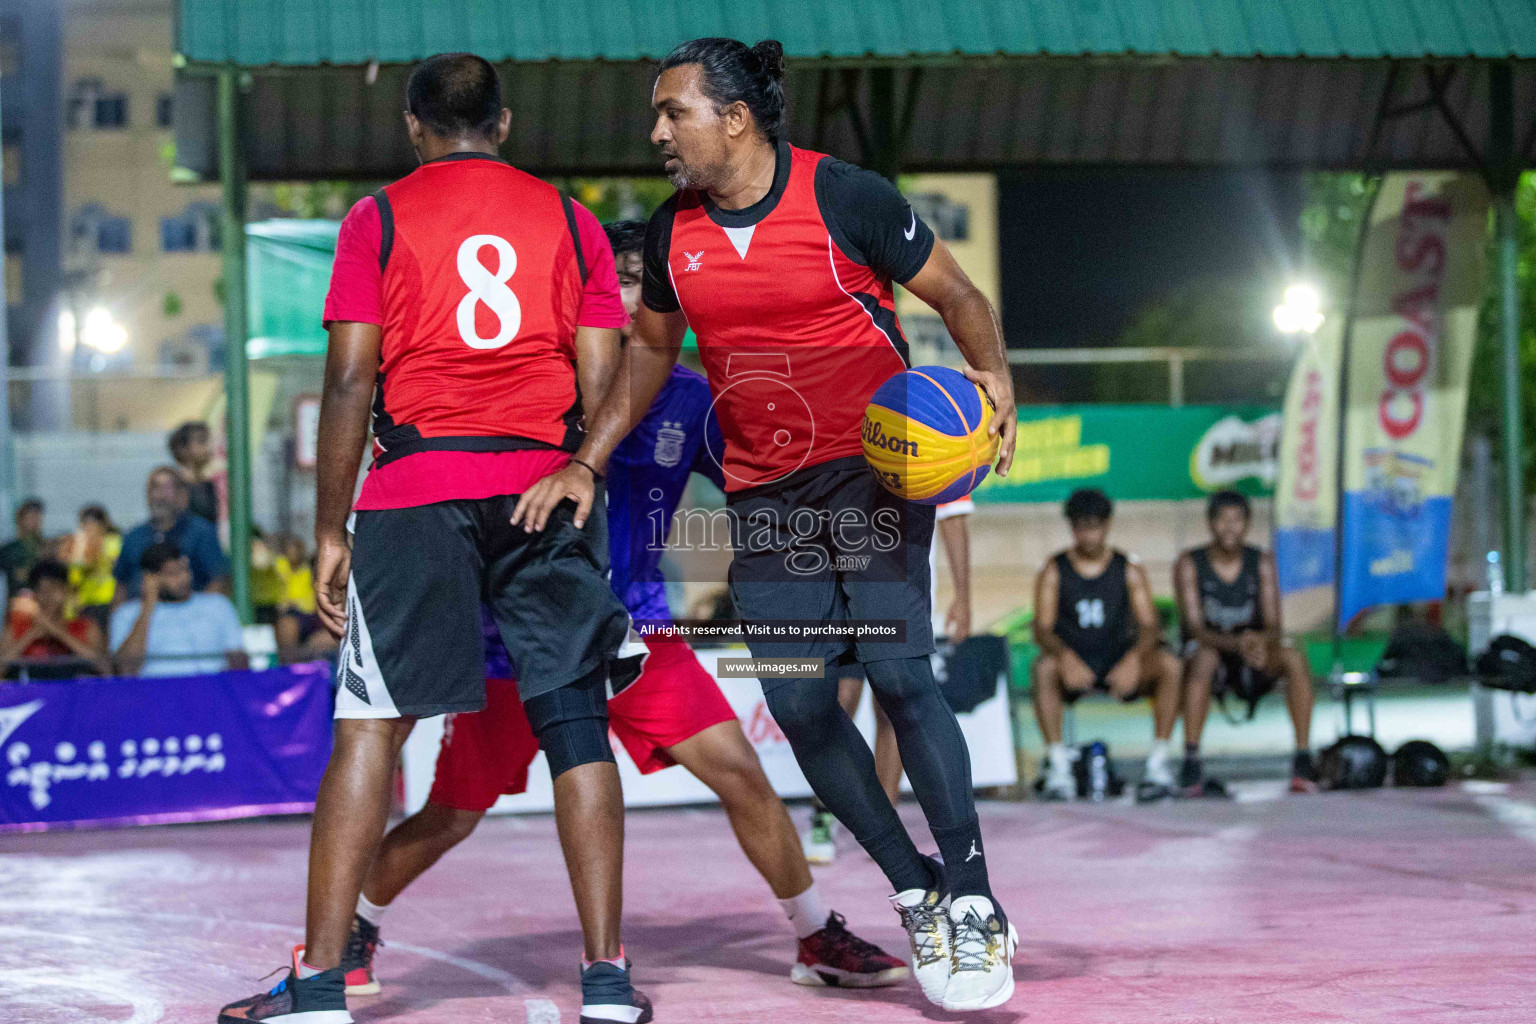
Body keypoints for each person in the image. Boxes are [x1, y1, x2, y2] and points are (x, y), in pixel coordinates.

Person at [514, 39, 1020, 1011]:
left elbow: (957, 294)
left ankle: (975, 900)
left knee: (900, 674)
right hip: (766, 495)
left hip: (873, 478)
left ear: (734, 117)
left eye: (675, 113)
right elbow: (651, 357)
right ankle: (914, 887)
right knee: (796, 707)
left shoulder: (844, 198)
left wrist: (995, 378)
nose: (658, 132)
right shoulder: (673, 235)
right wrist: (584, 457)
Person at [341, 222, 905, 997]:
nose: (639, 299)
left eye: (653, 283)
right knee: (451, 815)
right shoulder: (546, 389)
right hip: (523, 639)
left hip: (642, 630)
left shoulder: (692, 399)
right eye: (627, 282)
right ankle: (353, 928)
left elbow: (766, 474)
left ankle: (813, 937)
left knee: (743, 775)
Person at [218, 55, 645, 1024]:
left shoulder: (378, 218)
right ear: (505, 122)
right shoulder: (572, 220)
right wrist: (580, 471)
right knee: (576, 728)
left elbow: (348, 380)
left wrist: (329, 528)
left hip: (418, 490)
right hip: (542, 483)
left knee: (370, 727)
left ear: (415, 128)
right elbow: (604, 375)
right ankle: (608, 981)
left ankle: (321, 985)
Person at [804, 496, 974, 864]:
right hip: (840, 587)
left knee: (893, 705)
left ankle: (888, 827)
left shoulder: (937, 442)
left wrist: (963, 596)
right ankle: (823, 815)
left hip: (901, 592)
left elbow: (954, 518)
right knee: (838, 698)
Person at [1031, 488, 1183, 803]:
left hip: (1119, 659)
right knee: (1043, 668)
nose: (1088, 535)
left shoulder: (1129, 569)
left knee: (1171, 665)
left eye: (1095, 526)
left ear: (1107, 525)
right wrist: (1065, 656)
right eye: (1081, 527)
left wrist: (1133, 660)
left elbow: (1150, 626)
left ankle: (1158, 763)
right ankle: (1059, 767)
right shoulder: (1053, 570)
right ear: (1072, 528)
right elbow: (1043, 630)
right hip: (1075, 661)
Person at [1175, 489, 1319, 795]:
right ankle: (1191, 760)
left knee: (1294, 657)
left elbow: (1274, 623)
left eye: (1237, 520)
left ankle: (1304, 757)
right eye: (1222, 520)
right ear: (1210, 523)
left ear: (1247, 524)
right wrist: (1236, 644)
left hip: (1252, 653)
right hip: (1211, 652)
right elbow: (1193, 627)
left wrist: (1260, 641)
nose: (1230, 528)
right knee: (1204, 658)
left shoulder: (1261, 561)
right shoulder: (1190, 563)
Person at [108, 542, 247, 677]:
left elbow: (238, 659)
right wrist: (148, 606)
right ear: (150, 579)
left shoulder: (218, 605)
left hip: (212, 689)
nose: (183, 578)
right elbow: (126, 670)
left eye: (184, 569)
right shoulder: (126, 614)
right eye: (172, 573)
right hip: (155, 694)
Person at [114, 467, 230, 600]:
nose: (160, 496)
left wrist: (199, 614)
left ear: (182, 495)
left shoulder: (202, 533)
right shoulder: (133, 538)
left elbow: (218, 580)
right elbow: (121, 586)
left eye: (167, 488)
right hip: (142, 615)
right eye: (155, 488)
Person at [0, 559, 111, 677]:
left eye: (54, 588)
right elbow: (2, 668)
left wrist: (58, 632)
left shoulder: (87, 627)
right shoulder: (16, 629)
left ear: (66, 590)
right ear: (34, 595)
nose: (48, 596)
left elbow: (104, 668)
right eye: (41, 590)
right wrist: (31, 635)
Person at [63, 505, 121, 627]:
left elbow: (114, 564)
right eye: (85, 524)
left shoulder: (112, 542)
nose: (88, 529)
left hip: (106, 601)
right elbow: (73, 578)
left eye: (92, 524)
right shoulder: (78, 544)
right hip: (83, 604)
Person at [168, 420, 221, 524]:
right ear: (182, 448)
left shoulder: (210, 486)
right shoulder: (173, 486)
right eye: (201, 441)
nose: (209, 446)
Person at [0, 498, 47, 599]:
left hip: (41, 605)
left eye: (37, 517)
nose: (34, 521)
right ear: (20, 519)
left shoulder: (46, 548)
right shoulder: (9, 549)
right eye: (29, 517)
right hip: (16, 606)